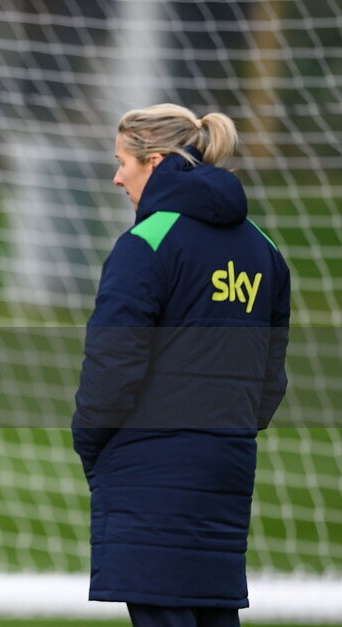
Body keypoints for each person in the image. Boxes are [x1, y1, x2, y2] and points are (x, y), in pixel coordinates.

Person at [72, 104, 290, 627]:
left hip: (150, 469)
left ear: (156, 160)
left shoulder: (145, 244)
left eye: (123, 160)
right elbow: (270, 379)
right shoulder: (264, 251)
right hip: (227, 464)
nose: (116, 175)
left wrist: (91, 440)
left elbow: (112, 367)